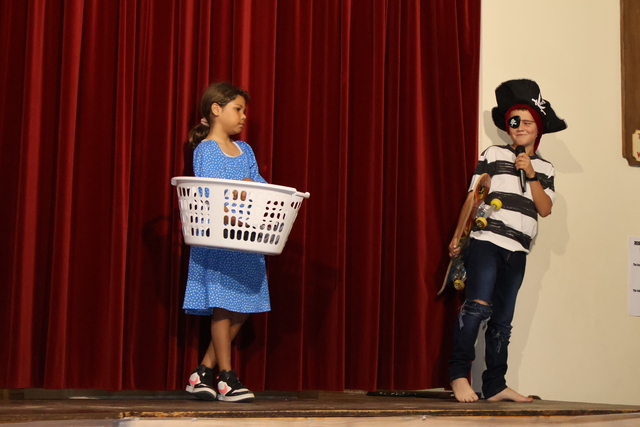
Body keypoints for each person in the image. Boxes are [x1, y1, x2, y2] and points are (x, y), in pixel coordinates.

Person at [447, 79, 567, 403]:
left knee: (503, 320)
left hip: (518, 251)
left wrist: (531, 173)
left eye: (527, 121)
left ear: (538, 128)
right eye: (515, 121)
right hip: (487, 241)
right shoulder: (493, 154)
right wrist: (458, 236)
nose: (520, 127)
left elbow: (545, 208)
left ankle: (495, 384)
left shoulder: (545, 168)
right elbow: (473, 197)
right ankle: (459, 375)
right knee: (477, 307)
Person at [183, 82, 269, 403]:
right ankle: (227, 377)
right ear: (216, 110)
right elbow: (211, 193)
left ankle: (203, 371)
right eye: (238, 109)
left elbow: (258, 185)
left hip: (246, 240)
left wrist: (253, 191)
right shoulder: (207, 150)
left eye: (245, 110)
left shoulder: (245, 150)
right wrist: (240, 195)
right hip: (220, 240)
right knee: (223, 305)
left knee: (244, 306)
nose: (244, 116)